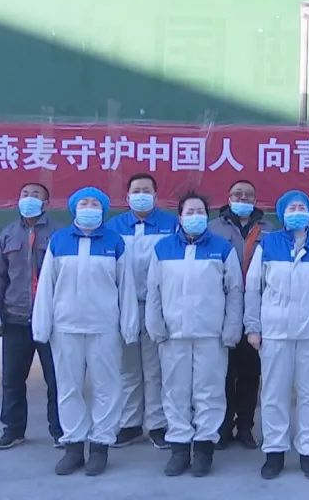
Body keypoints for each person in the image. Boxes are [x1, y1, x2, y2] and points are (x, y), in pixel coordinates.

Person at [31, 186, 138, 476]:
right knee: (69, 388)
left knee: (107, 388)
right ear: (74, 208)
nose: (89, 207)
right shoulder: (59, 241)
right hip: (66, 327)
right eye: (84, 203)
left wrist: (129, 326)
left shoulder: (114, 242)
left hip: (104, 327)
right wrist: (41, 325)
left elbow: (126, 287)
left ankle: (100, 446)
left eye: (95, 204)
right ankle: (74, 446)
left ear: (103, 210)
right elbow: (46, 286)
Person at [245, 190, 309, 481]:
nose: (297, 211)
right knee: (274, 394)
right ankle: (274, 451)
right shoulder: (269, 244)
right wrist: (253, 327)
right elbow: (253, 288)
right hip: (275, 333)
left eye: (302, 207)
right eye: (291, 207)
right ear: (282, 213)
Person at [146, 192, 244, 477]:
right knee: (175, 392)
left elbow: (234, 291)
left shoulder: (222, 248)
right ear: (179, 217)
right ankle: (179, 448)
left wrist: (231, 328)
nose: (195, 216)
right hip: (173, 335)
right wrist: (155, 325)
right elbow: (154, 291)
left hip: (211, 335)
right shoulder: (163, 249)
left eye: (200, 211)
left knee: (209, 393)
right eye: (189, 211)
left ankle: (203, 449)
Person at [0, 182, 63, 450]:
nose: (29, 199)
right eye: (25, 194)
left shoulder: (58, 235)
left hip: (50, 321)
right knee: (12, 380)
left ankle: (60, 430)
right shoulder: (8, 234)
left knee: (57, 380)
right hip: (15, 318)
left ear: (46, 203)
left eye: (36, 195)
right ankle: (13, 429)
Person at [105, 173, 177, 449]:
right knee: (128, 369)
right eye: (136, 191)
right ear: (127, 197)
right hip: (124, 306)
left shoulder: (171, 225)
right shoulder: (113, 227)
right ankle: (130, 423)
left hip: (158, 305)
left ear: (156, 196)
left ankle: (157, 424)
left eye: (147, 190)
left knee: (155, 368)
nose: (141, 195)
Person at [208, 179, 274, 450]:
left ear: (255, 199)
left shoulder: (269, 230)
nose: (243, 198)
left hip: (258, 310)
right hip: (222, 309)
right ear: (228, 197)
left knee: (250, 373)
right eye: (237, 194)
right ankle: (222, 427)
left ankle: (246, 426)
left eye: (248, 195)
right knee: (223, 372)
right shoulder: (213, 228)